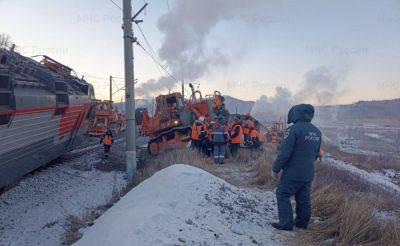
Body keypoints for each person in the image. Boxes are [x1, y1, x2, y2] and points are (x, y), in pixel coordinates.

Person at [271, 104, 322, 231]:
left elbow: (285, 153)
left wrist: (275, 169)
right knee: (303, 197)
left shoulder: (293, 129)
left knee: (282, 194)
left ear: (296, 114)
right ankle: (301, 224)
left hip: (293, 172)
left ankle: (286, 224)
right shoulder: (317, 131)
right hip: (308, 172)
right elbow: (317, 154)